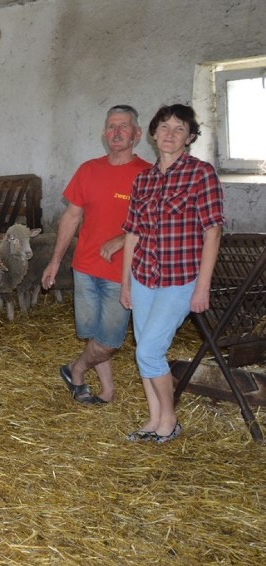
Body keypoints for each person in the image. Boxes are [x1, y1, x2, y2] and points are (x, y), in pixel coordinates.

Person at [120, 103, 224, 443]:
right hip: (143, 277)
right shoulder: (143, 180)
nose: (169, 133)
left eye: (179, 128)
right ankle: (154, 420)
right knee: (143, 351)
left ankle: (170, 420)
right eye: (164, 126)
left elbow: (212, 231)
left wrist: (202, 287)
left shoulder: (201, 174)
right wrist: (126, 284)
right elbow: (132, 234)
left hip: (180, 279)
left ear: (190, 137)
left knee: (149, 350)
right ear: (152, 133)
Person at [42, 104, 151, 405]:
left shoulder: (147, 175)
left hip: (123, 274)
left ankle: (74, 369)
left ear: (137, 133)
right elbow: (71, 217)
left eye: (124, 126)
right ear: (104, 133)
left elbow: (157, 225)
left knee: (110, 341)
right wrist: (55, 261)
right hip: (85, 267)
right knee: (94, 334)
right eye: (111, 126)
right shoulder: (88, 170)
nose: (117, 132)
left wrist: (122, 238)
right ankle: (107, 390)